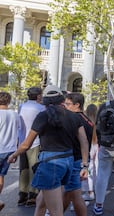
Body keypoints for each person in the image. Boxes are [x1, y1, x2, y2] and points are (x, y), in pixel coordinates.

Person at [8, 85, 89, 216]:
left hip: (50, 163)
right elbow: (84, 141)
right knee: (41, 201)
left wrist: (14, 155)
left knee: (55, 211)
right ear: (62, 99)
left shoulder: (43, 116)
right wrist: (85, 165)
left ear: (44, 100)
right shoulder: (74, 116)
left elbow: (26, 144)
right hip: (68, 160)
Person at [17, 87, 45, 207]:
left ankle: (22, 194)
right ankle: (32, 195)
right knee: (34, 167)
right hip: (35, 141)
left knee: (23, 168)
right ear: (38, 96)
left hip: (22, 141)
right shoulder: (41, 108)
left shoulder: (21, 106)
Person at [0, 92, 23, 212]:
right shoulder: (15, 115)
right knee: (1, 175)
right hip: (10, 150)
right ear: (8, 101)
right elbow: (19, 133)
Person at [83, 103, 98, 201]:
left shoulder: (84, 122)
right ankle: (94, 190)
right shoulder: (97, 122)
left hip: (86, 147)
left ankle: (88, 191)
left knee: (87, 170)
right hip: (96, 146)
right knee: (95, 169)